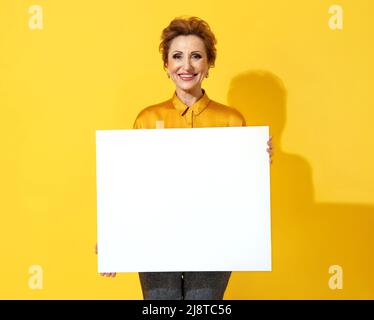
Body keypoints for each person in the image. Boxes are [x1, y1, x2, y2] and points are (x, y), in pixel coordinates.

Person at [96, 16, 273, 300]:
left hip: (215, 240)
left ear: (208, 64)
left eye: (196, 57)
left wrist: (258, 161)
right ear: (166, 65)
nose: (186, 66)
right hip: (156, 236)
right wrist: (113, 237)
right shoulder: (147, 118)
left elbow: (241, 192)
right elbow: (131, 185)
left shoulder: (232, 120)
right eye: (177, 56)